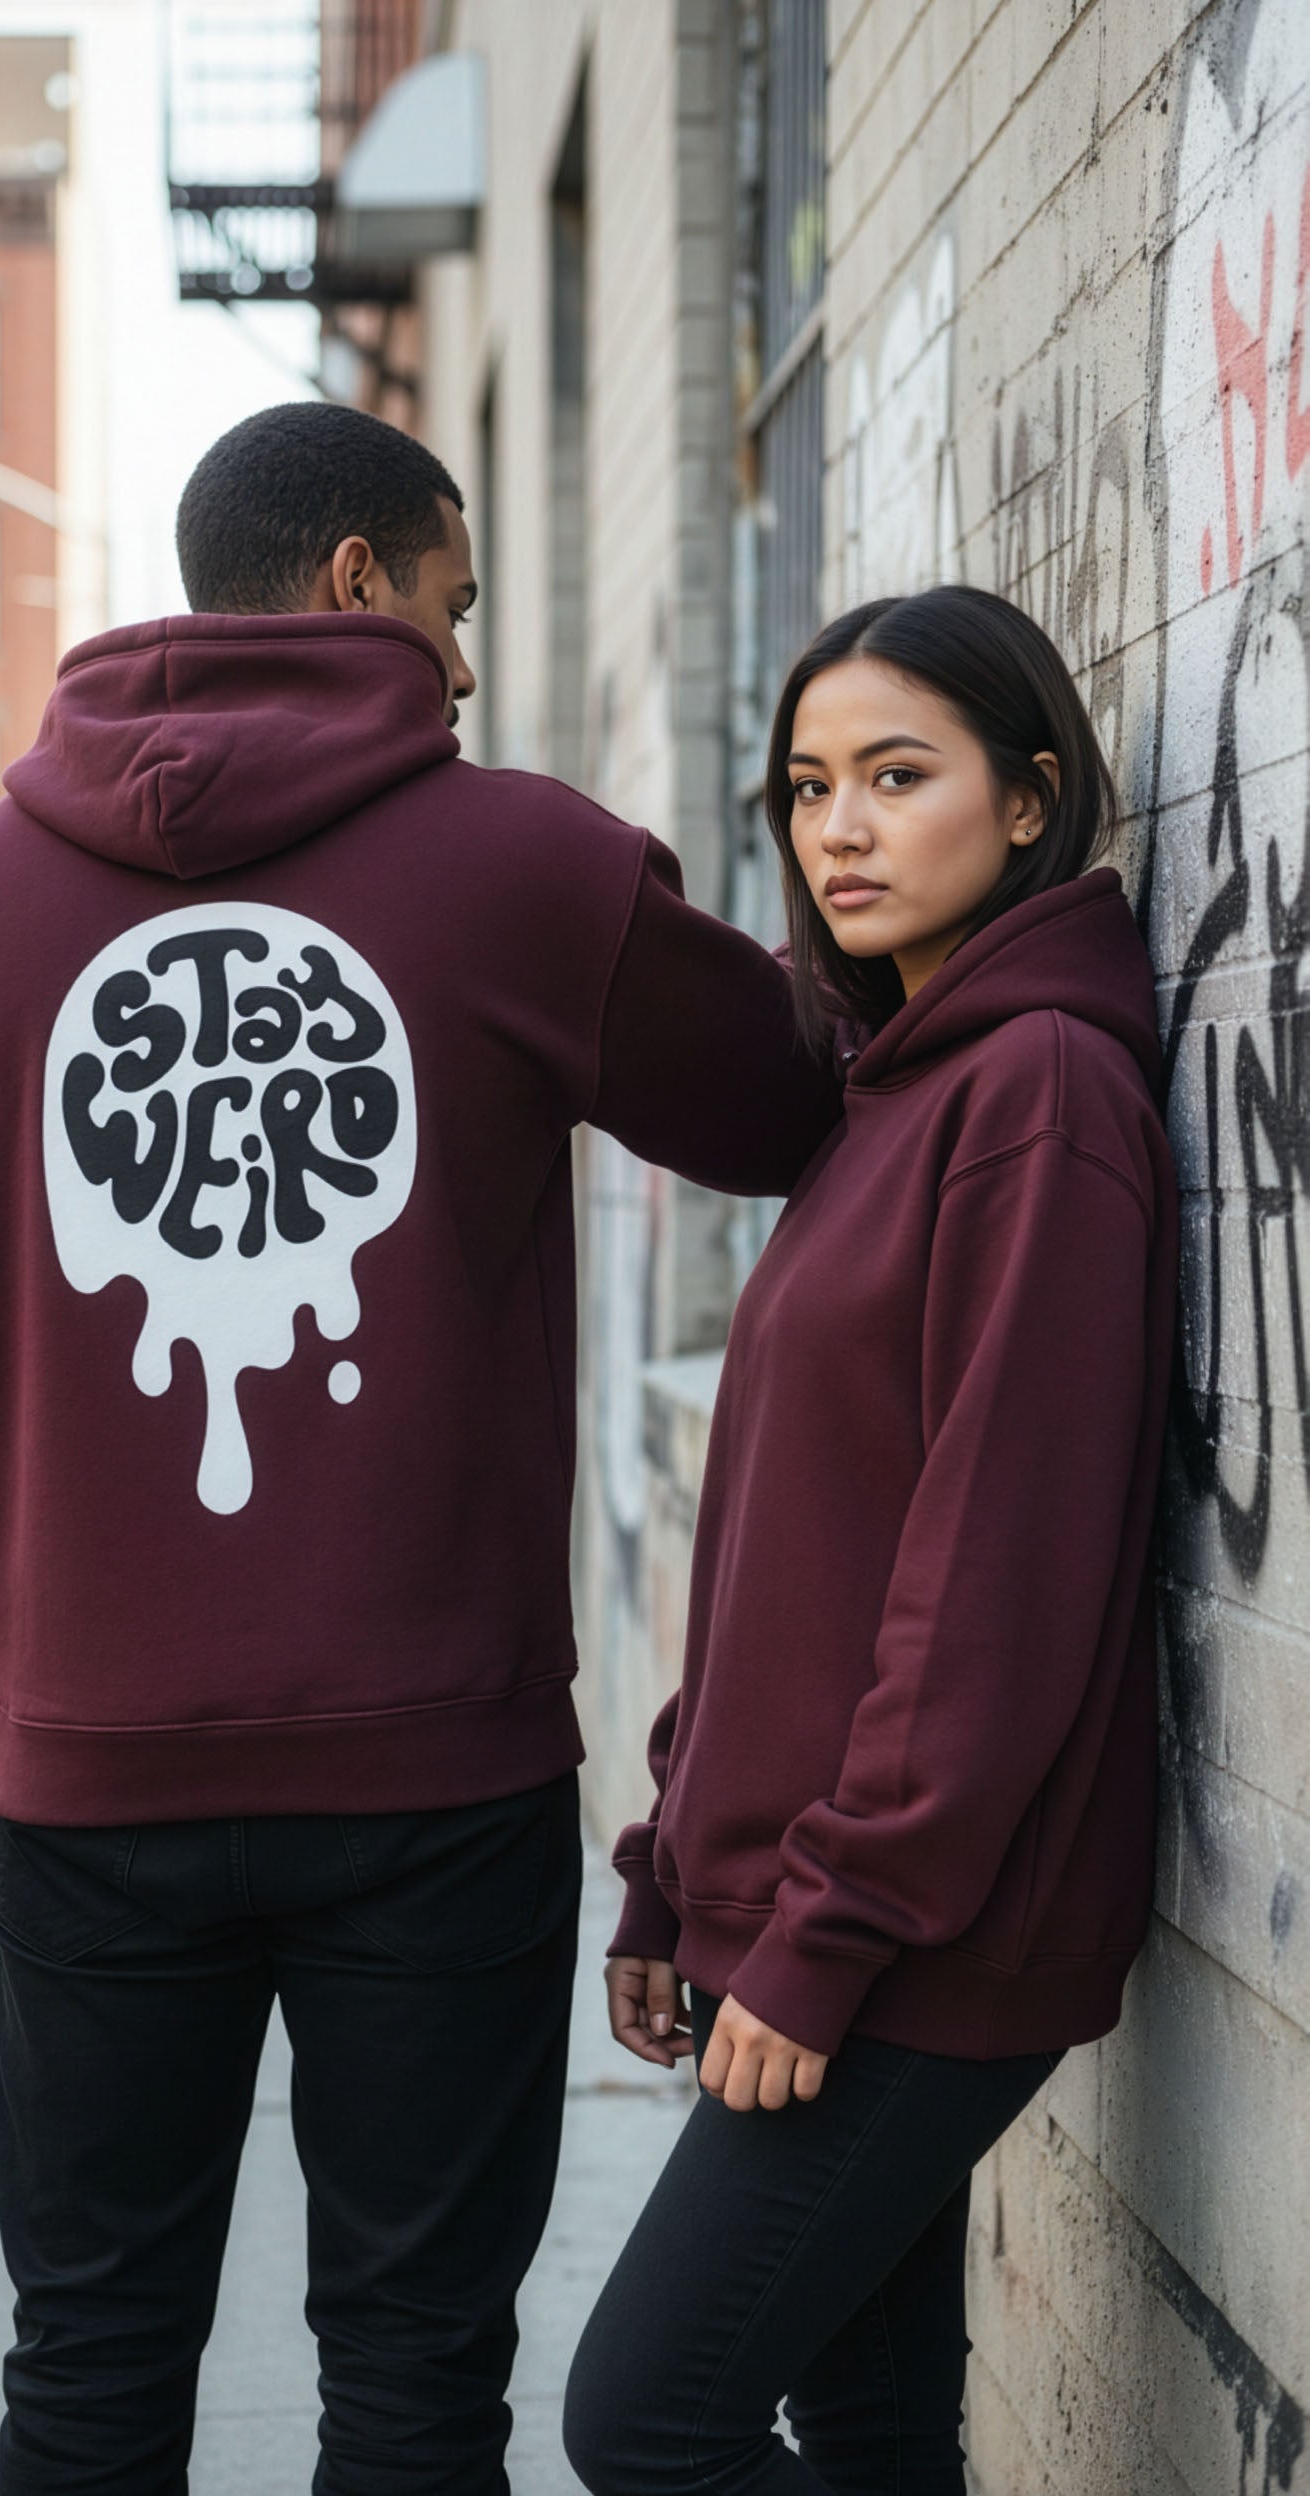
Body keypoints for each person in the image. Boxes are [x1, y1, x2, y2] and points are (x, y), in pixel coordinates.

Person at [0, 400, 843, 2496]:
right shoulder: (524, 864)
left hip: (92, 1780)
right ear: (365, 581)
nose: (465, 667)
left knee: (88, 2361)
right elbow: (778, 1099)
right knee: (413, 2372)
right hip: (434, 1784)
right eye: (457, 602)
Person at [563, 584, 1178, 2496]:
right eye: (808, 783)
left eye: (897, 776)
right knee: (871, 2421)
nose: (837, 826)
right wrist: (677, 1862)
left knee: (648, 2422)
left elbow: (994, 1576)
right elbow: (782, 1535)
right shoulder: (885, 1089)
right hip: (836, 1903)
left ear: (1028, 803)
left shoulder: (1040, 1093)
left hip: (925, 1931)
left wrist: (821, 1934)